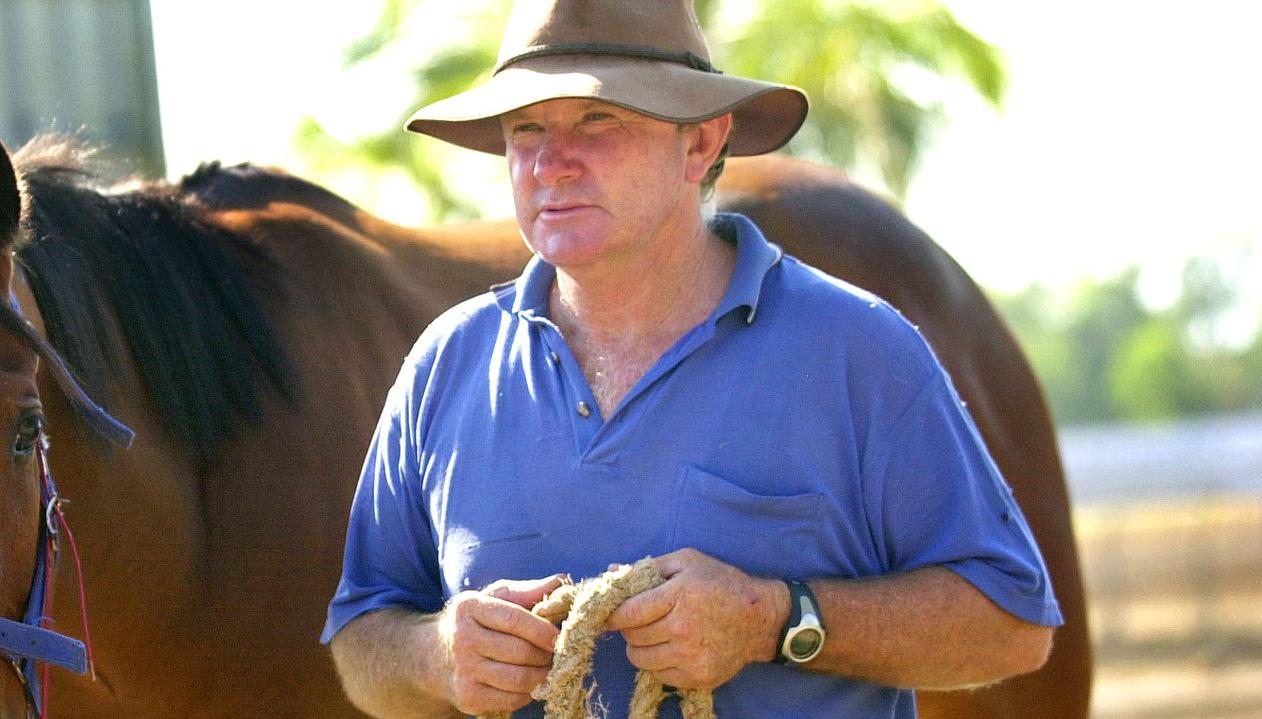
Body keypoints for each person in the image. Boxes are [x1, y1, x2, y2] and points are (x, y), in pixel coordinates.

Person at [322, 1, 1062, 717]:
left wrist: (774, 618)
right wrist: (435, 655)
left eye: (597, 120)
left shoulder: (857, 349)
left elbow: (1011, 624)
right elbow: (360, 646)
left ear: (702, 142)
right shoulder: (443, 367)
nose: (549, 163)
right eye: (524, 129)